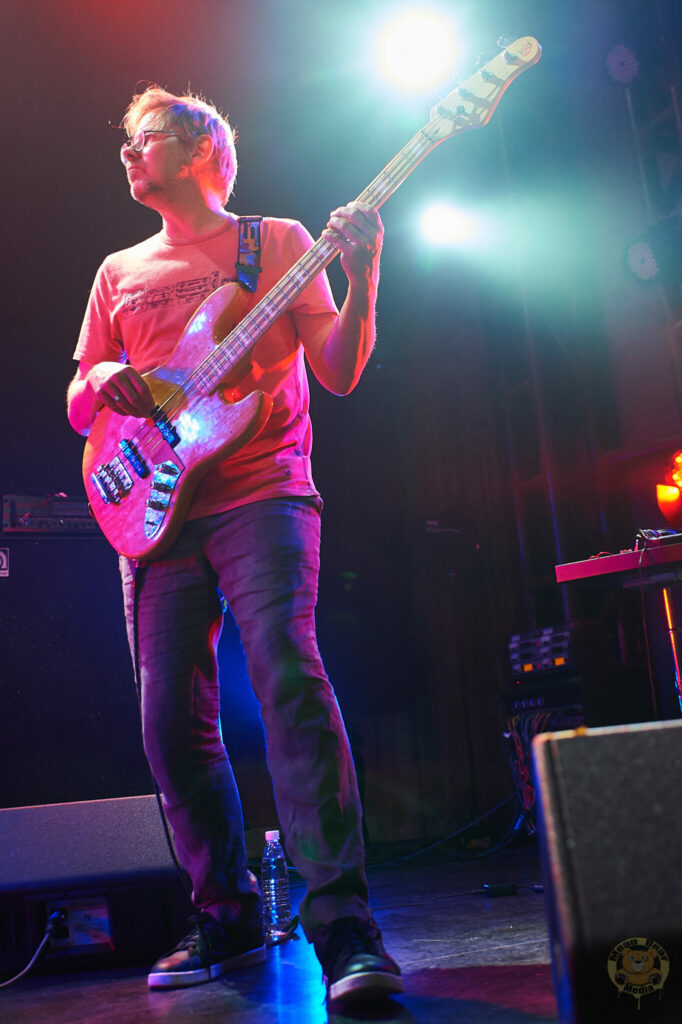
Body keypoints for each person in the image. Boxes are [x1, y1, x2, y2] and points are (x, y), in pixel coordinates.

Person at [66, 86, 403, 1003]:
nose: (128, 154)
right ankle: (227, 915)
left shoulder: (282, 243)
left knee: (288, 677)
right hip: (153, 509)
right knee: (168, 719)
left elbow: (337, 372)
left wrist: (365, 271)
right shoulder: (118, 270)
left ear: (202, 148)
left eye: (144, 139)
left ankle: (342, 926)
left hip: (263, 493)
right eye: (126, 141)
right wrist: (104, 376)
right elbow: (77, 402)